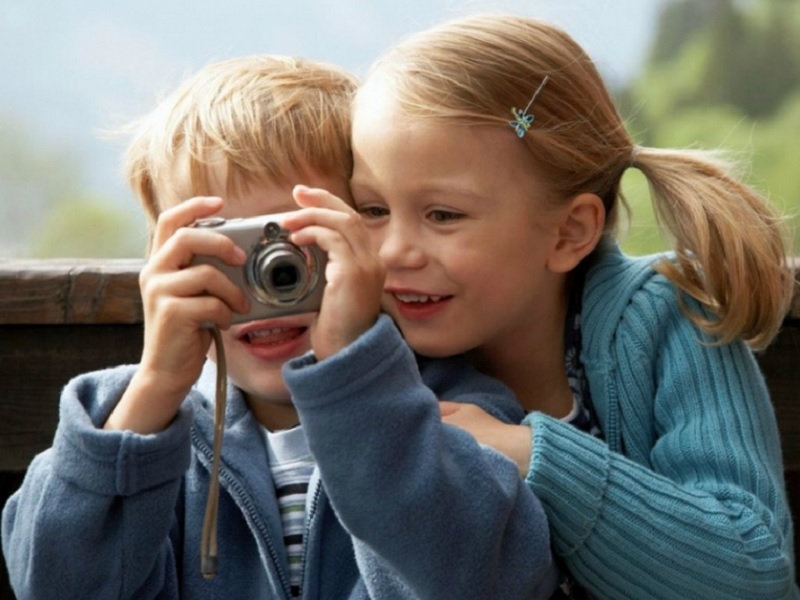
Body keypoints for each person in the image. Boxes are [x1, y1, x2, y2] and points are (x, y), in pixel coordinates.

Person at [1, 54, 559, 599]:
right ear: (163, 261)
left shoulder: (449, 416)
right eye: (221, 244)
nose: (264, 280)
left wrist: (357, 379)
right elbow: (53, 584)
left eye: (295, 245)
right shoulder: (125, 420)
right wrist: (153, 393)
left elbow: (480, 580)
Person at [335, 12, 798, 599]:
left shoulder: (668, 323)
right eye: (373, 210)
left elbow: (750, 576)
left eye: (443, 215)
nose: (394, 250)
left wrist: (534, 454)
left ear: (568, 233)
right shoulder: (376, 362)